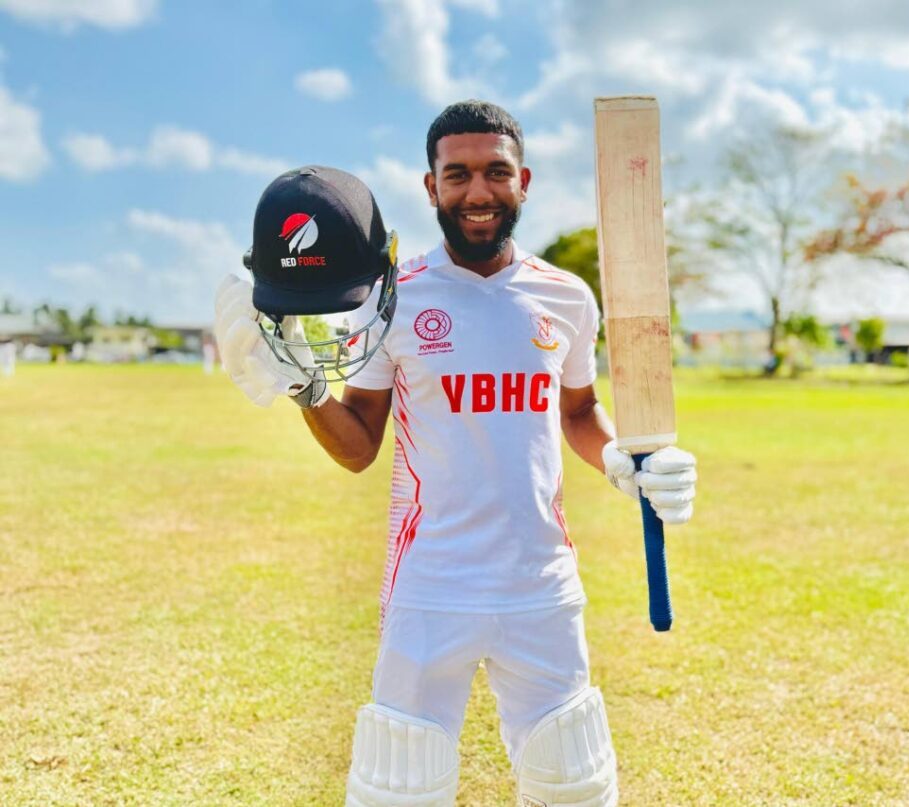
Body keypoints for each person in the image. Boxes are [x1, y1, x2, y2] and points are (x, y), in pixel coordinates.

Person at [214, 101, 697, 807]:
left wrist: (627, 460)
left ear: (523, 180)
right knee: (398, 787)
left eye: (496, 172)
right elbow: (359, 447)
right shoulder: (393, 299)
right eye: (458, 174)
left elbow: (579, 410)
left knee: (573, 784)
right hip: (429, 582)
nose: (478, 192)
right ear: (430, 186)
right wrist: (303, 387)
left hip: (541, 582)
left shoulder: (566, 297)